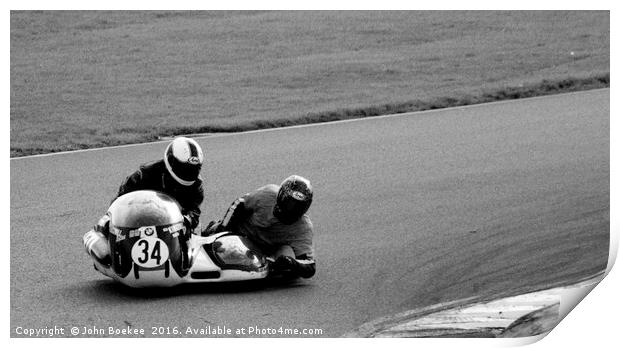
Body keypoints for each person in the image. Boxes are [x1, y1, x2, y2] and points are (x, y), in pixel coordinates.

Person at [83, 136, 205, 267]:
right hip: (139, 221)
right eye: (184, 168)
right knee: (107, 222)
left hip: (174, 226)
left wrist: (188, 220)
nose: (188, 173)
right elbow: (119, 204)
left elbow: (194, 211)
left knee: (194, 235)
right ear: (171, 161)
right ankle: (108, 248)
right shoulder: (143, 175)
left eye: (193, 169)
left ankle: (176, 260)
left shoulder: (196, 185)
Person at [205, 175, 316, 279]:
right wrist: (223, 230)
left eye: (297, 206)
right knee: (214, 243)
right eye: (289, 203)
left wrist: (291, 263)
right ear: (281, 195)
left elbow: (310, 265)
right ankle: (214, 228)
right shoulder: (267, 195)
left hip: (269, 251)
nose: (291, 209)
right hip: (241, 236)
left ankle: (271, 267)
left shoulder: (304, 228)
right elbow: (239, 204)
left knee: (288, 263)